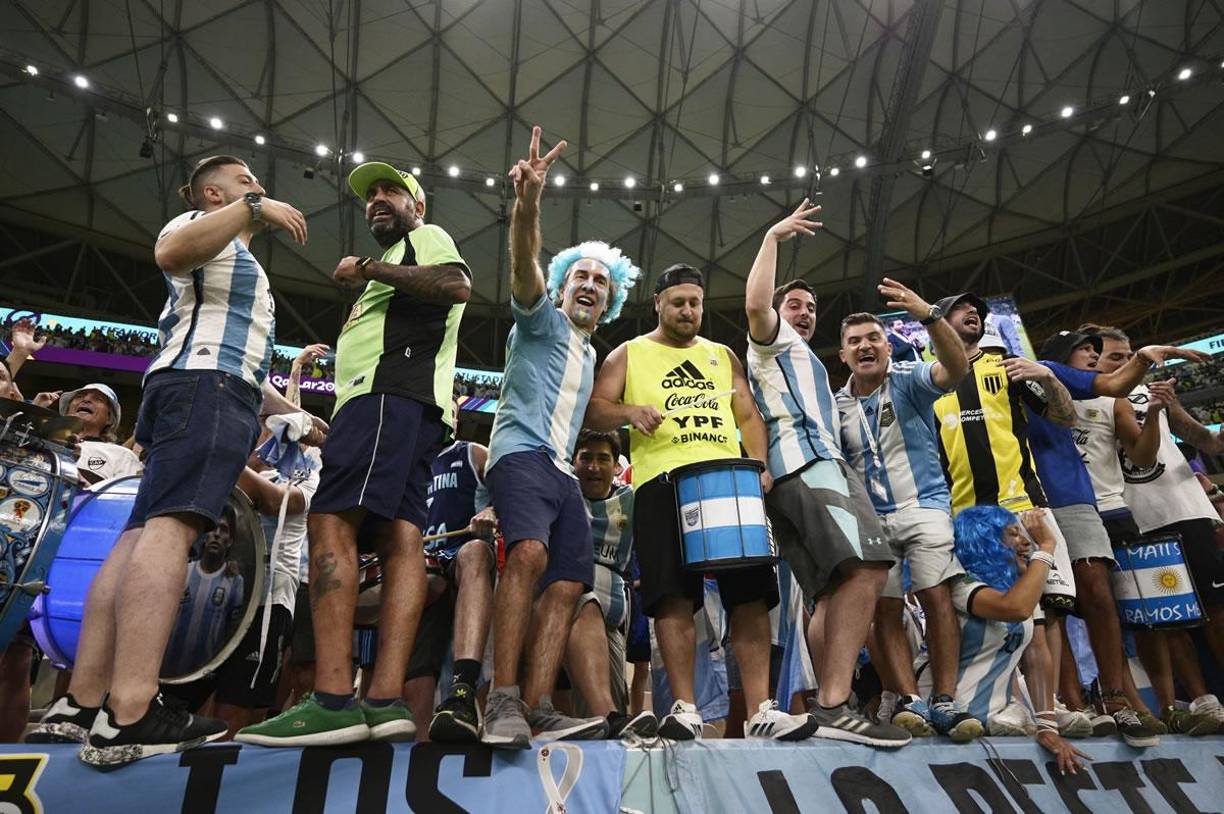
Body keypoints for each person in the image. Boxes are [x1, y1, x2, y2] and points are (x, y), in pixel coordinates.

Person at [28, 155, 306, 767]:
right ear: (213, 194)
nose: (258, 187)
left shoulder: (232, 260)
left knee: (137, 538)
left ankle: (82, 702)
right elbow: (170, 254)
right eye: (244, 181)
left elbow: (239, 355)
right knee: (172, 530)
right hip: (207, 391)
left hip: (196, 385)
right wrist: (254, 207)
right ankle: (130, 708)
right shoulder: (196, 227)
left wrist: (297, 415)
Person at [237, 160, 471, 746]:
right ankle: (385, 700)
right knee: (400, 537)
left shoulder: (423, 240)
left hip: (387, 398)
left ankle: (334, 697)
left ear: (418, 206)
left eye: (393, 190)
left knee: (331, 522)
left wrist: (367, 267)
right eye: (372, 194)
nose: (378, 199)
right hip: (396, 407)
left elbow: (456, 284)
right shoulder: (389, 274)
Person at [587, 211, 818, 744]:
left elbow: (749, 417)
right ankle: (686, 707)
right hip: (660, 485)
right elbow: (594, 409)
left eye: (695, 302)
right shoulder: (629, 353)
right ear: (658, 304)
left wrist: (760, 465)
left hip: (727, 481)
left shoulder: (722, 355)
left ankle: (761, 708)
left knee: (749, 595)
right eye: (678, 303)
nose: (688, 311)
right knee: (672, 598)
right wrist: (630, 412)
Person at [480, 127, 639, 748]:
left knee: (572, 583)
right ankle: (501, 699)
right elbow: (523, 262)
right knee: (527, 556)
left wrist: (632, 413)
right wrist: (529, 204)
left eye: (602, 281)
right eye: (581, 276)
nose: (591, 284)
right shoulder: (540, 319)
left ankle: (540, 704)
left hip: (562, 475)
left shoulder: (592, 353)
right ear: (562, 285)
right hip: (520, 455)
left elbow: (593, 412)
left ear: (609, 301)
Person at [1030, 329, 1204, 744]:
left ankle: (1130, 701)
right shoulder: (1031, 379)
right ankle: (1074, 704)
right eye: (1084, 349)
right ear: (1060, 356)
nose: (1093, 355)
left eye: (1098, 350)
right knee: (1053, 608)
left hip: (1097, 506)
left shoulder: (1104, 396)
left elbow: (1138, 445)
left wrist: (1149, 390)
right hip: (1035, 500)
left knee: (1121, 606)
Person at [932, 292, 1082, 745]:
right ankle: (1009, 702)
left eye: (977, 310)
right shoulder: (927, 380)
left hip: (1024, 505)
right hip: (968, 518)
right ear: (938, 323)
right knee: (1001, 616)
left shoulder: (1007, 365)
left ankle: (1050, 708)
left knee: (1047, 612)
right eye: (961, 308)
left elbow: (1065, 417)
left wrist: (1048, 376)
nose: (973, 313)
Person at [834, 278, 977, 742]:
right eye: (855, 341)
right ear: (843, 354)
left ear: (887, 346)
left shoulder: (909, 380)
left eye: (873, 338)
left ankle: (946, 698)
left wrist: (929, 315)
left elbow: (956, 369)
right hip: (871, 519)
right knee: (885, 610)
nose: (865, 346)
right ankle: (910, 699)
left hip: (925, 505)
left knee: (936, 597)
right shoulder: (836, 405)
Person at [1078, 324, 1224, 734]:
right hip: (1133, 518)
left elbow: (1204, 441)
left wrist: (1172, 409)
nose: (1128, 364)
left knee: (1216, 608)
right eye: (1116, 358)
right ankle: (1201, 702)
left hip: (1186, 508)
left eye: (1130, 356)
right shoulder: (1083, 400)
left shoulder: (1148, 390)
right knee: (1164, 617)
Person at [945, 506, 1089, 775]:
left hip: (994, 720)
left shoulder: (1021, 589)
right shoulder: (960, 585)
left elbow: (1036, 657)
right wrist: (1046, 548)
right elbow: (1014, 608)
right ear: (985, 540)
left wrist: (1047, 727)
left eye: (1025, 535)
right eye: (1013, 534)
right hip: (952, 718)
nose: (1025, 542)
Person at [566, 429, 658, 738]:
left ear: (616, 465)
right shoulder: (561, 494)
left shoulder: (630, 500)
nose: (594, 467)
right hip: (565, 607)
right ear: (573, 462)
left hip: (615, 615)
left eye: (603, 459)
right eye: (586, 458)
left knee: (613, 714)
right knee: (583, 712)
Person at [419, 436, 498, 743]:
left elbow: (511, 490)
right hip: (422, 567)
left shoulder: (472, 453)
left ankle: (465, 688)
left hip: (464, 561)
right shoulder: (410, 462)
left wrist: (492, 510)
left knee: (474, 551)